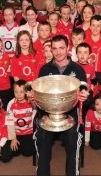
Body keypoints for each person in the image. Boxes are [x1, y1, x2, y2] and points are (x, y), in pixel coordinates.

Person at [33, 35, 89, 176]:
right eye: (55, 48)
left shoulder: (78, 69)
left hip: (71, 113)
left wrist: (85, 97)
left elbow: (86, 93)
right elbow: (39, 98)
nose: (58, 52)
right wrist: (34, 97)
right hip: (48, 113)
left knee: (73, 139)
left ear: (68, 48)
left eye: (62, 48)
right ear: (51, 50)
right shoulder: (44, 69)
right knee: (41, 137)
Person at [7, 80, 36, 157]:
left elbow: (35, 118)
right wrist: (13, 138)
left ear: (26, 92)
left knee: (27, 153)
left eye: (21, 92)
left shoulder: (32, 102)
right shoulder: (11, 103)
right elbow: (9, 122)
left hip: (29, 132)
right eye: (16, 92)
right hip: (17, 133)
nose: (18, 94)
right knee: (14, 153)